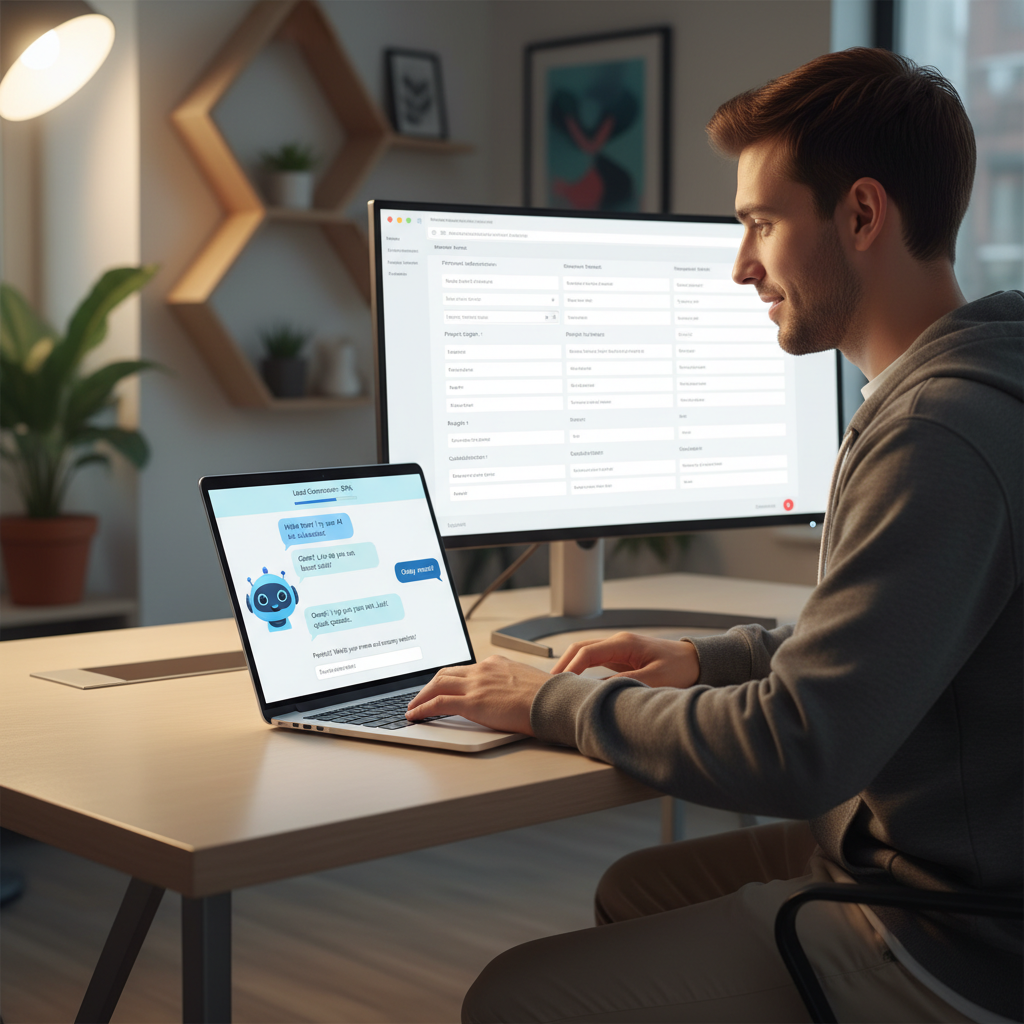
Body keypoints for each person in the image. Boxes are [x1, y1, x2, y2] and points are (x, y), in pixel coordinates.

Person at [407, 47, 1023, 1023]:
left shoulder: (934, 434)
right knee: (632, 888)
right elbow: (889, 636)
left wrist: (556, 701)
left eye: (760, 224)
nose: (740, 267)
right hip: (946, 862)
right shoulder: (979, 379)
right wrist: (700, 657)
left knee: (510, 998)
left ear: (861, 215)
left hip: (958, 937)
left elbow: (798, 748)